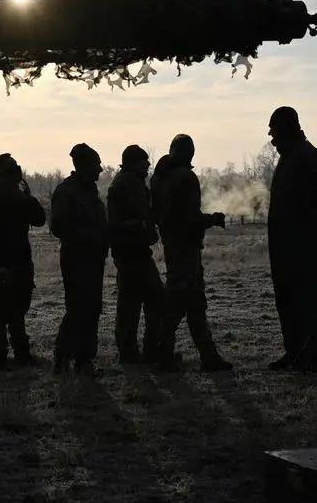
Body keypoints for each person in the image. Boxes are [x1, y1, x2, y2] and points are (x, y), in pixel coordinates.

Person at [264, 106, 317, 373]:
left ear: (287, 130)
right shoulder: (290, 155)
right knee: (286, 297)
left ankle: (316, 356)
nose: (271, 138)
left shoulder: (304, 153)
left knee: (306, 296)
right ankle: (295, 352)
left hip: (302, 240)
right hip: (285, 241)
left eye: (274, 131)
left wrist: (306, 206)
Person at [151, 134, 233, 373]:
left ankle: (207, 356)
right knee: (180, 303)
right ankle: (166, 355)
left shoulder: (159, 178)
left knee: (192, 302)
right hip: (185, 248)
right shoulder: (185, 177)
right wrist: (213, 219)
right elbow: (191, 218)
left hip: (172, 246)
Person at [0, 152, 46, 370]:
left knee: (11, 310)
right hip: (11, 263)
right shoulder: (8, 196)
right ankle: (11, 355)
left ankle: (10, 355)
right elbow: (39, 219)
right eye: (13, 166)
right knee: (7, 311)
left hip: (6, 263)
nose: (17, 168)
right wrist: (28, 195)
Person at [48, 143, 109, 375]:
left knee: (91, 308)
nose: (101, 169)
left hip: (92, 259)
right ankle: (63, 356)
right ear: (84, 166)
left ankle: (84, 360)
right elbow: (58, 227)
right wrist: (92, 236)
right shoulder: (67, 191)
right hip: (77, 259)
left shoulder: (87, 190)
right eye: (97, 164)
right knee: (77, 308)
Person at [106, 144, 163, 364]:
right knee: (138, 303)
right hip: (131, 253)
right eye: (143, 160)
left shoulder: (131, 183)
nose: (148, 164)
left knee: (141, 302)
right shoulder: (126, 185)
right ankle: (135, 352)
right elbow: (118, 223)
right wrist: (142, 228)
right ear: (133, 162)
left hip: (133, 252)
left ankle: (138, 351)